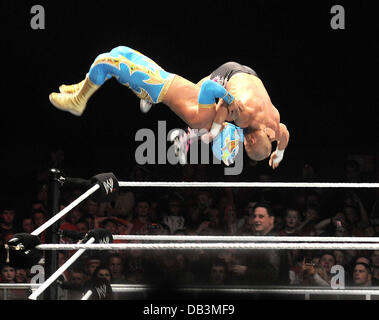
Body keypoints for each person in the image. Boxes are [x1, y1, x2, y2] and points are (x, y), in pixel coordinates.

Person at [49, 45, 289, 167]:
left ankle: (78, 100)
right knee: (119, 51)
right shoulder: (218, 119)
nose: (238, 134)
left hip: (157, 87)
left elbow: (209, 90)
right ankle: (80, 87)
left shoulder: (204, 118)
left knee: (105, 62)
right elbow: (213, 101)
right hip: (164, 79)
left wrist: (226, 99)